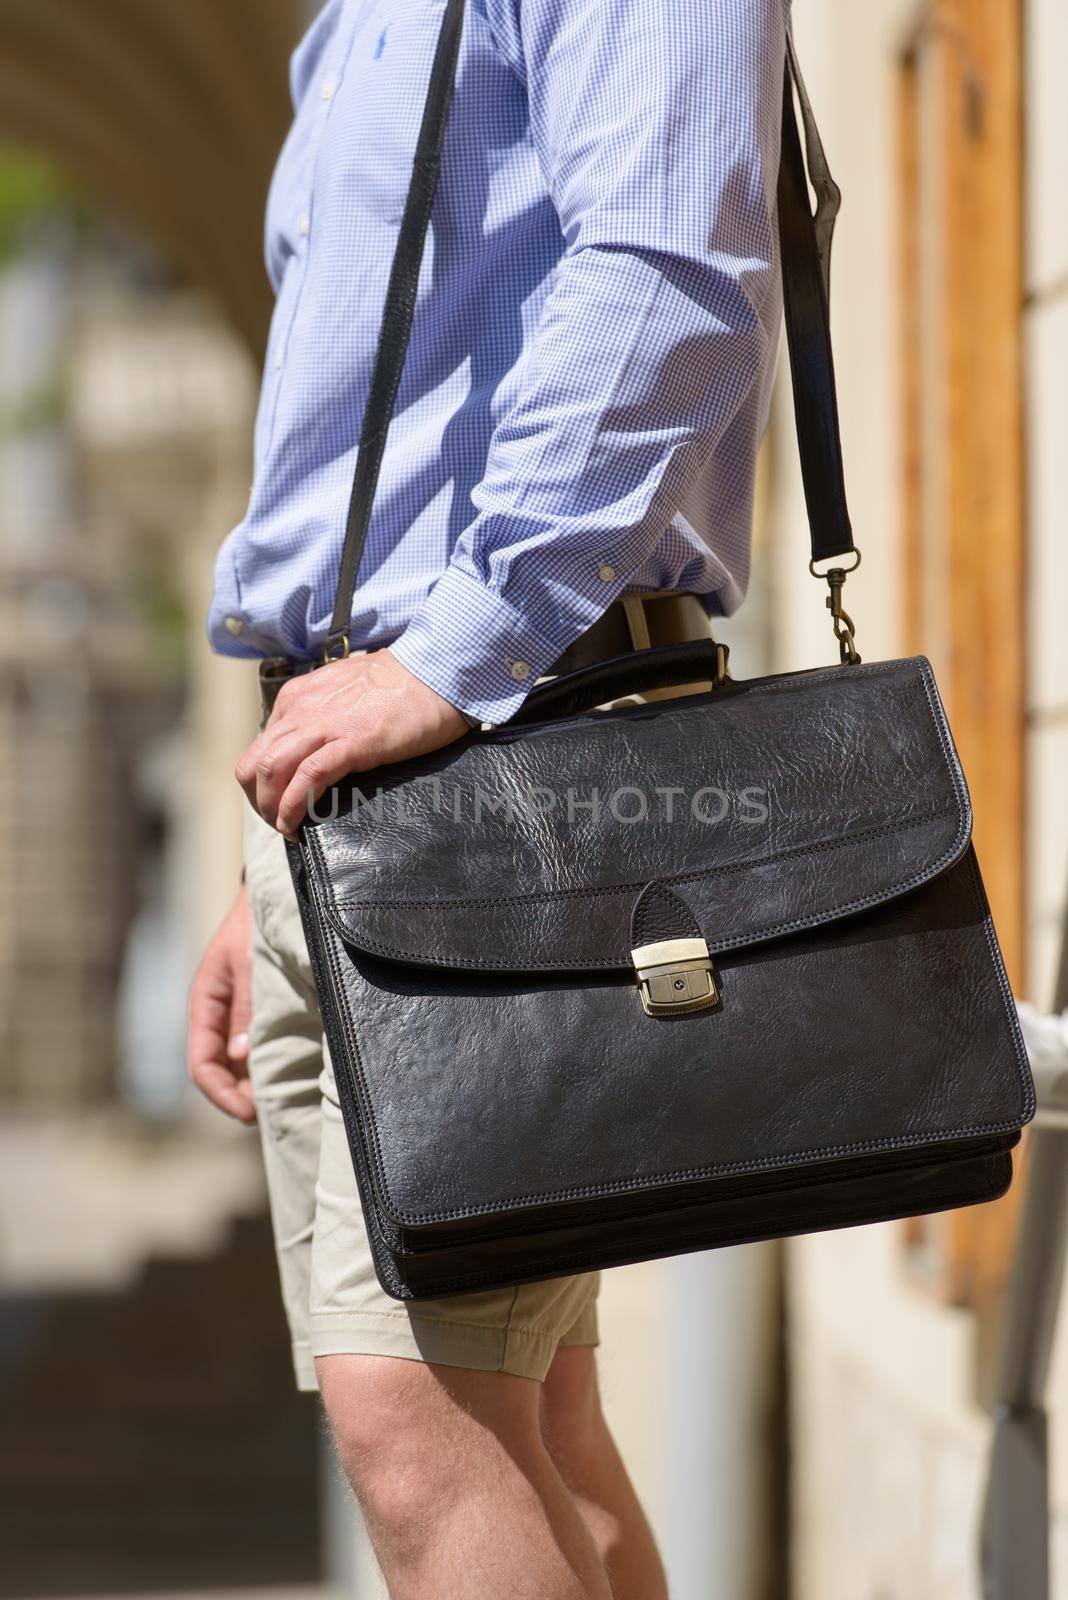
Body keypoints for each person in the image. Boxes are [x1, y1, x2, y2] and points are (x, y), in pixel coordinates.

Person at [187, 2, 787, 1594]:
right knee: (531, 1413)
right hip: (364, 796)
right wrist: (277, 849)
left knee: (419, 1415)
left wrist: (453, 658)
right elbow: (351, 448)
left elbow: (671, 273)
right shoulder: (348, 27)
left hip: (506, 749)